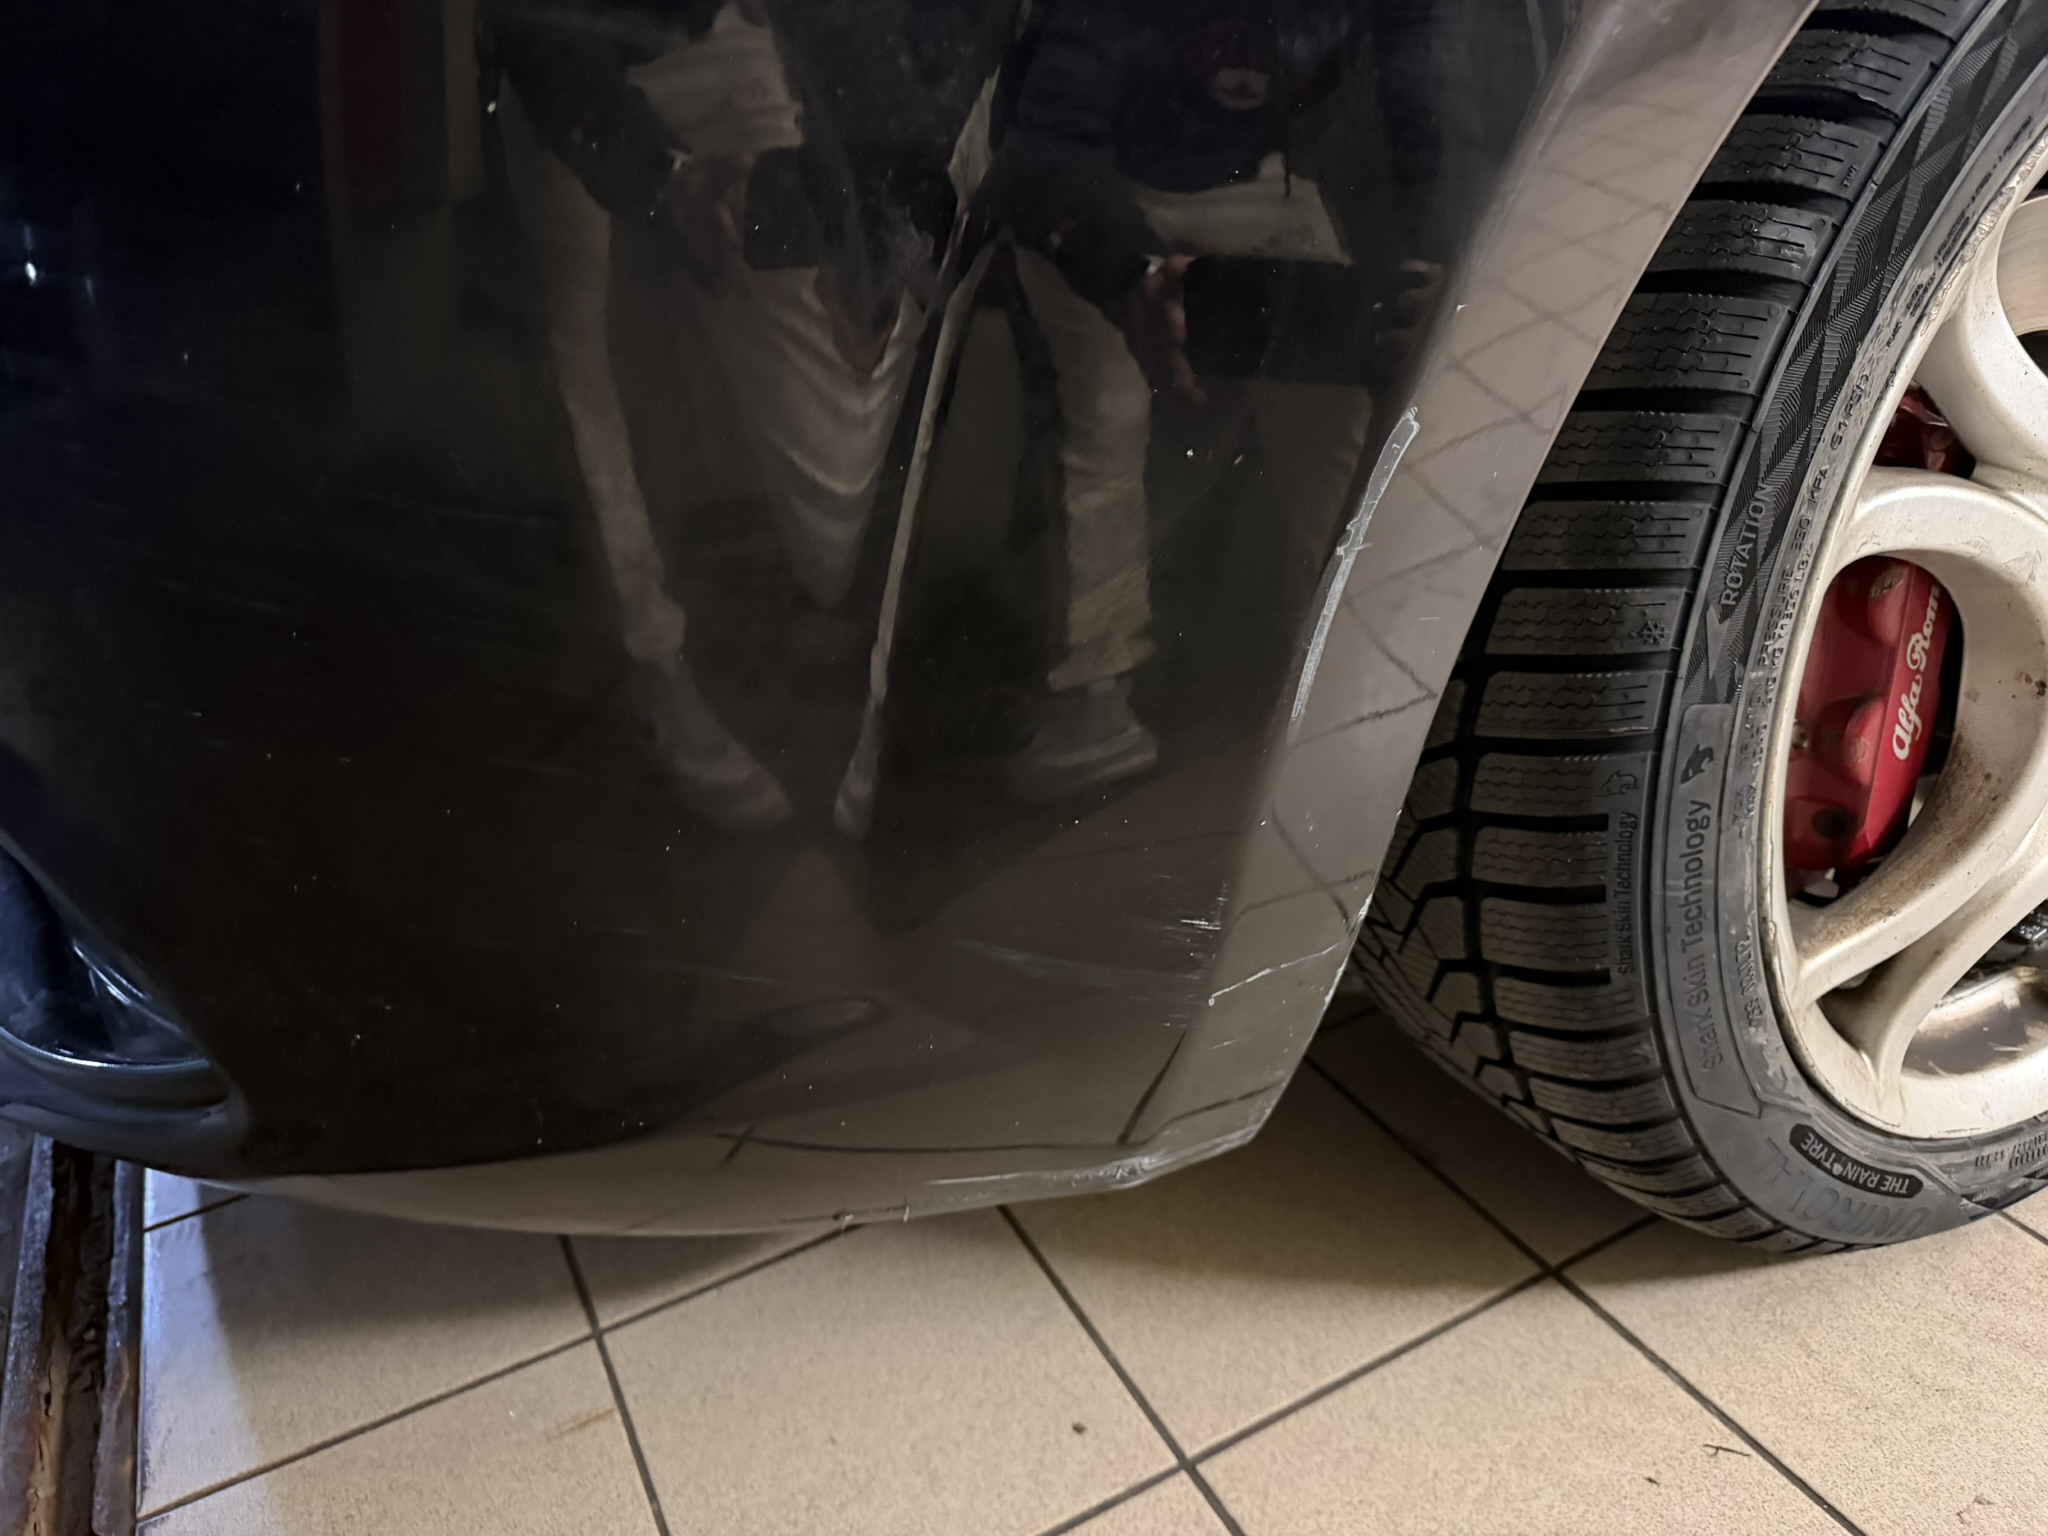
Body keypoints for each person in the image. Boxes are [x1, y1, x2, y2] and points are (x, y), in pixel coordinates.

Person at [981, 0, 1442, 803]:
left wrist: (1440, 257)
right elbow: (1041, 152)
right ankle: (1099, 693)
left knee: (1338, 396)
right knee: (1105, 416)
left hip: (1252, 178)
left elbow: (1423, 91)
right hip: (1109, 182)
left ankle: (1353, 655)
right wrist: (1127, 275)